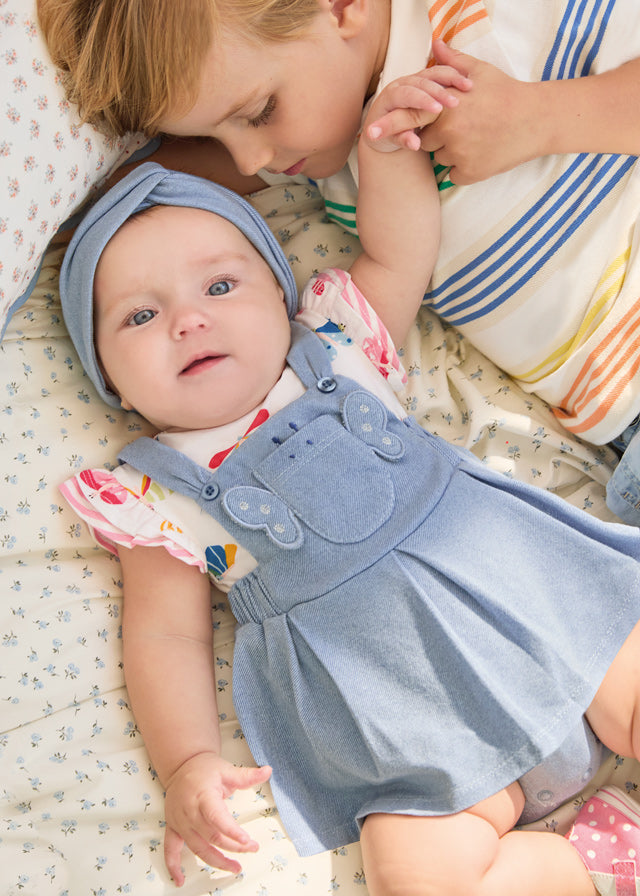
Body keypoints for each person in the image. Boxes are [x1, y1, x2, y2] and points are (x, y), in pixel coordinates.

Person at [55, 65, 640, 896]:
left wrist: (385, 144)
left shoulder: (338, 344)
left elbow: (399, 248)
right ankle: (597, 861)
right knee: (419, 880)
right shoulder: (157, 498)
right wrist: (188, 761)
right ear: (109, 378)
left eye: (222, 285)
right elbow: (164, 639)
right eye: (140, 317)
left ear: (279, 291)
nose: (189, 318)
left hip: (550, 618)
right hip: (411, 739)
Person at [37, 0, 640, 525]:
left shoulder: (475, 24)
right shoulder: (326, 147)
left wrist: (543, 117)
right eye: (216, 139)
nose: (248, 163)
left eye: (258, 112)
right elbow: (141, 186)